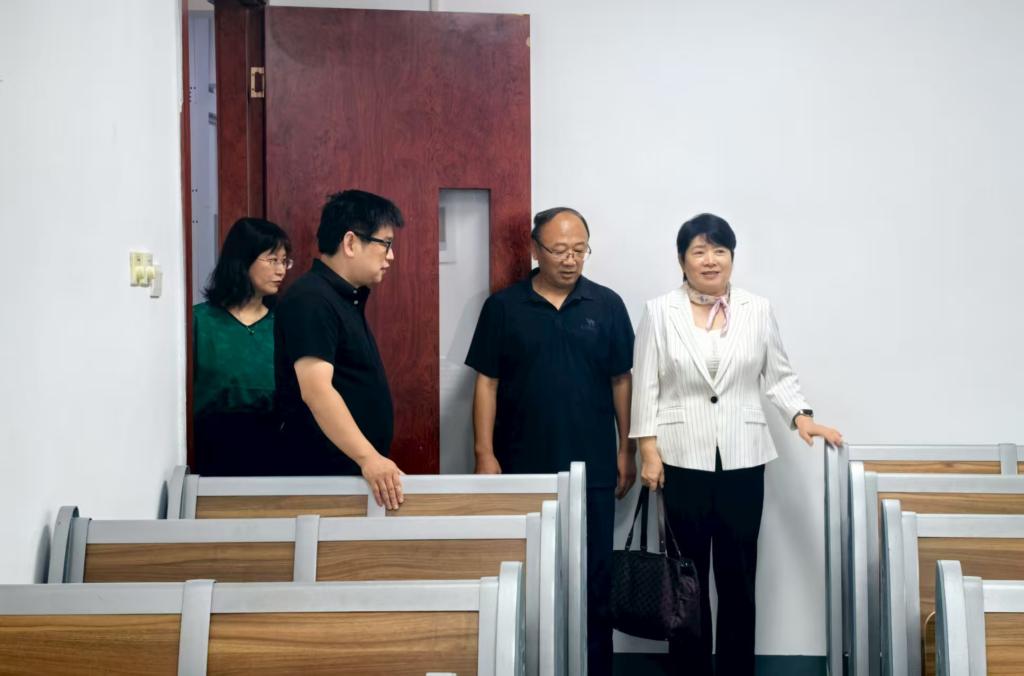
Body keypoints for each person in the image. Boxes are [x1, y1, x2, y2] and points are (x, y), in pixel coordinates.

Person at [630, 213, 843, 676]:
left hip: (744, 458)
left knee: (739, 574)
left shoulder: (757, 310)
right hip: (681, 458)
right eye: (699, 251)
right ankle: (689, 670)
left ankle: (736, 670)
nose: (710, 260)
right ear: (682, 260)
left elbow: (779, 376)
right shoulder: (659, 311)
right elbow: (645, 384)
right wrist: (648, 450)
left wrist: (802, 418)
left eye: (720, 251)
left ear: (732, 257)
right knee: (686, 576)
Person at [465, 206, 636, 676]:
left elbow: (622, 380)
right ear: (535, 249)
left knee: (594, 577)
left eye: (579, 250)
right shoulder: (503, 307)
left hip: (593, 467)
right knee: (526, 575)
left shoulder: (607, 305)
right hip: (520, 465)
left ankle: (595, 668)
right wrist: (484, 453)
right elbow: (487, 383)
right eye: (559, 250)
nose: (570, 259)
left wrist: (626, 449)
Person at [273, 189, 405, 510]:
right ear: (350, 243)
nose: (390, 256)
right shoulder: (311, 299)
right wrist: (369, 457)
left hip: (346, 477)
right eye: (385, 244)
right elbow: (316, 391)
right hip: (321, 481)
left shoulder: (344, 298)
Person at [193, 217, 293, 476]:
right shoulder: (199, 321)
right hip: (210, 453)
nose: (281, 270)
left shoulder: (285, 323)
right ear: (242, 259)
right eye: (272, 260)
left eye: (285, 261)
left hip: (276, 452)